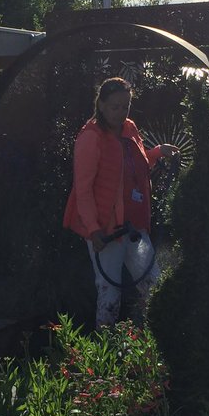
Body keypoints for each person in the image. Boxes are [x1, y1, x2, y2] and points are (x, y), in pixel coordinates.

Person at [63, 76, 179, 328]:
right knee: (109, 291)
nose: (120, 112)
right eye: (115, 106)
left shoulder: (129, 129)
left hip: (134, 224)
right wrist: (94, 230)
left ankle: (153, 346)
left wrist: (158, 152)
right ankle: (101, 354)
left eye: (125, 106)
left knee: (153, 285)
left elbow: (137, 167)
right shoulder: (90, 138)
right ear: (101, 104)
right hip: (106, 230)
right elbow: (82, 190)